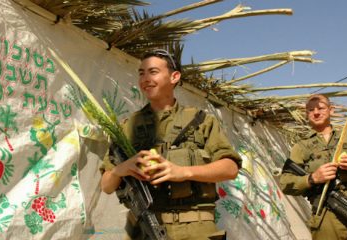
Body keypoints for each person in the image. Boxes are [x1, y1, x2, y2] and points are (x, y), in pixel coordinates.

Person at [100, 49, 242, 240]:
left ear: (174, 76)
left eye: (153, 72)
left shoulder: (201, 121)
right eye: (141, 73)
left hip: (196, 229)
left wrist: (183, 172)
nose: (145, 78)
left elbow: (230, 168)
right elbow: (106, 186)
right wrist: (120, 170)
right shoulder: (127, 127)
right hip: (142, 228)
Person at [280, 94, 347, 240]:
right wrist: (312, 178)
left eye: (321, 108)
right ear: (307, 114)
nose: (316, 112)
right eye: (311, 110)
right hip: (327, 214)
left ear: (331, 110)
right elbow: (285, 183)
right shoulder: (301, 147)